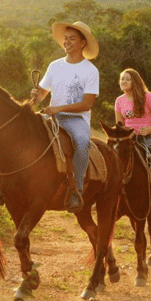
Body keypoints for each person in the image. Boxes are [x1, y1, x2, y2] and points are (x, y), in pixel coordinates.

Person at [30, 21, 100, 214]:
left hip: (76, 120)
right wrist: (37, 95)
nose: (67, 42)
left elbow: (87, 104)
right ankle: (7, 184)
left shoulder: (90, 71)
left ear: (83, 43)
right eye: (65, 39)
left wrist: (58, 108)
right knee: (25, 132)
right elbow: (43, 93)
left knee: (82, 141)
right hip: (52, 116)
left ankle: (76, 190)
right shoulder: (55, 66)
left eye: (72, 39)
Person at [114, 69, 151, 217]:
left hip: (149, 138)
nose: (123, 82)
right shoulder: (119, 101)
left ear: (135, 81)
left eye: (127, 79)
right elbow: (120, 125)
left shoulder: (148, 97)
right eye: (121, 79)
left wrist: (148, 129)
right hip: (128, 140)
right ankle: (111, 199)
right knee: (111, 162)